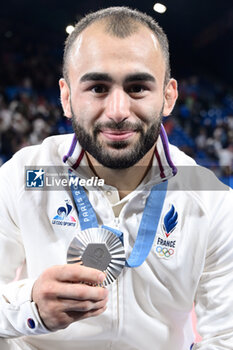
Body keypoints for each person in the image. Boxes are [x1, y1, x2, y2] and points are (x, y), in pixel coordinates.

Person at [0, 6, 233, 350]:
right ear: (66, 97)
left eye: (138, 87)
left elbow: (225, 337)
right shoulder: (27, 175)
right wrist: (29, 306)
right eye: (97, 88)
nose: (118, 111)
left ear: (169, 96)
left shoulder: (211, 198)